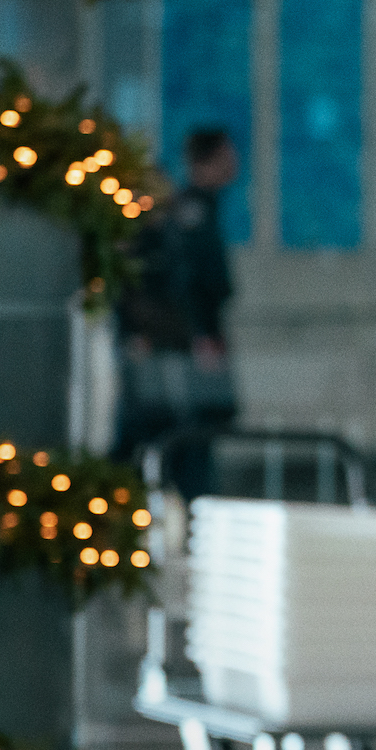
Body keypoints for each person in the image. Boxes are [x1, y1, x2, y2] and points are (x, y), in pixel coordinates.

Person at [113, 126, 240, 499]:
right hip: (163, 352)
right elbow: (184, 288)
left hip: (172, 349)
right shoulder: (172, 228)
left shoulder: (171, 229)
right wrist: (199, 335)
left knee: (178, 438)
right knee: (172, 438)